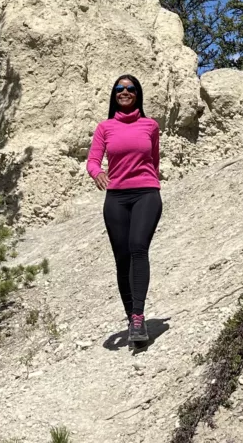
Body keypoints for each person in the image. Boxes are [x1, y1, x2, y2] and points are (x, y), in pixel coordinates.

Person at [87, 74, 162, 343]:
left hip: (146, 193)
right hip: (116, 198)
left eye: (130, 88)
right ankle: (131, 318)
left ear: (138, 93)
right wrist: (97, 173)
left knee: (137, 247)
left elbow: (154, 160)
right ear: (114, 94)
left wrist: (150, 182)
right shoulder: (105, 127)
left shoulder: (150, 126)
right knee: (122, 258)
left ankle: (140, 317)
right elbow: (93, 160)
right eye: (120, 88)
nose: (125, 92)